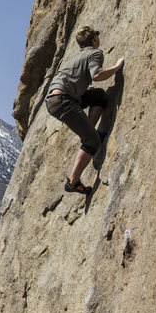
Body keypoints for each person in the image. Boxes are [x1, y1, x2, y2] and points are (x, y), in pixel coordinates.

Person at [45, 26, 124, 194]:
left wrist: (80, 91)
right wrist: (117, 68)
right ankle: (73, 182)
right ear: (94, 39)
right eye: (97, 35)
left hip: (56, 98)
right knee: (92, 142)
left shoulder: (77, 56)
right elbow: (97, 75)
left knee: (98, 95)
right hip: (64, 101)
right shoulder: (95, 53)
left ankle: (89, 132)